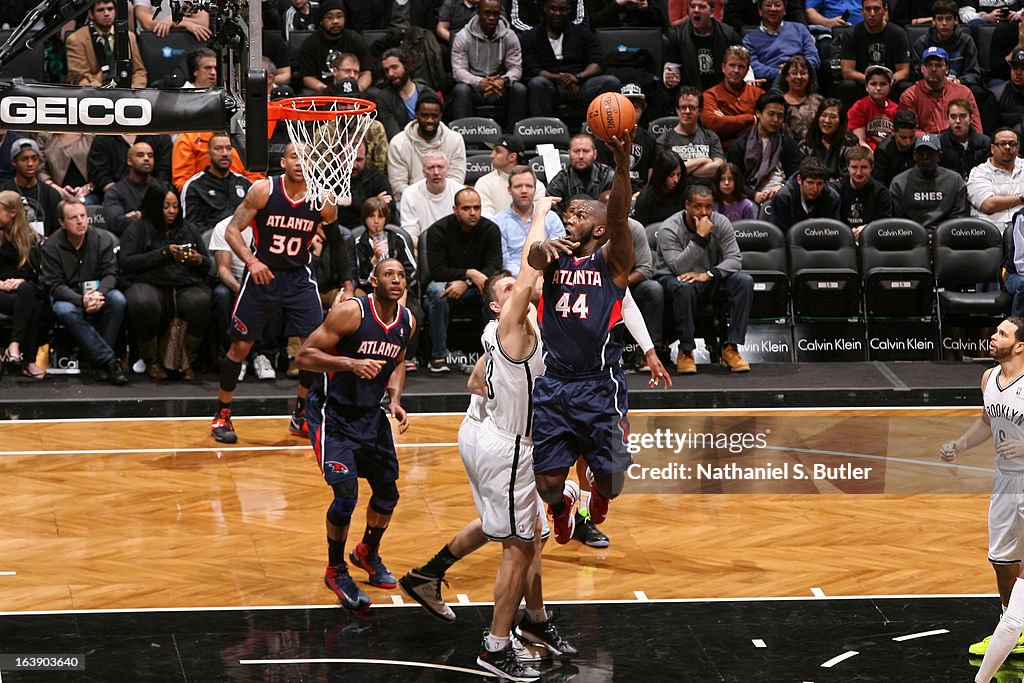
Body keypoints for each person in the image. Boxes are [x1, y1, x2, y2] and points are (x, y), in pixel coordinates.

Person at [404, 199, 574, 681]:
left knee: (524, 531)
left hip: (483, 431)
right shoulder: (512, 325)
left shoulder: (496, 330)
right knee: (519, 545)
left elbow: (475, 383)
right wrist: (540, 212)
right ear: (501, 304)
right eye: (509, 289)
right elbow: (526, 272)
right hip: (509, 447)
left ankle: (533, 620)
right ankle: (496, 646)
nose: (522, 287)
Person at [526, 125, 635, 544]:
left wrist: (622, 164)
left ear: (599, 229)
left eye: (579, 215)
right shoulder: (553, 257)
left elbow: (621, 215)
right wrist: (541, 249)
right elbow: (534, 256)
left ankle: (597, 500)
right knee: (548, 485)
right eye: (566, 213)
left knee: (610, 484)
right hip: (555, 384)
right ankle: (563, 507)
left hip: (598, 386)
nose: (569, 218)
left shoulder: (612, 263)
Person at [296, 258, 414, 611]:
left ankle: (366, 552)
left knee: (387, 493)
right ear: (373, 280)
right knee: (346, 496)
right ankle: (335, 570)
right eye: (389, 274)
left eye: (402, 275)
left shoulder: (407, 320)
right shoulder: (351, 313)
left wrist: (395, 399)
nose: (396, 280)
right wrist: (350, 363)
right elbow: (304, 356)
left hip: (370, 415)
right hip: (333, 413)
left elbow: (398, 362)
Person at [210, 144, 345, 444]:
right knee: (240, 347)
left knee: (313, 350)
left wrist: (347, 284)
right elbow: (233, 230)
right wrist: (252, 261)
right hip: (263, 277)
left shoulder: (323, 200)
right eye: (296, 157)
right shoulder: (263, 190)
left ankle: (301, 416)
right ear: (283, 162)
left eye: (308, 158)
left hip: (298, 278)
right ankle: (222, 415)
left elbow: (337, 244)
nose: (301, 163)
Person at [939, 318, 1024, 681]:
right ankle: (1013, 629)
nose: (994, 337)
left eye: (1002, 334)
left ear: (1020, 346)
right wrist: (959, 444)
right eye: (996, 332)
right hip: (1005, 480)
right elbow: (987, 423)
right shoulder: (988, 379)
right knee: (1001, 560)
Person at [655, 184, 754, 374]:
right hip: (674, 279)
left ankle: (731, 348)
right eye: (698, 206)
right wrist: (700, 237)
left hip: (708, 278)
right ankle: (686, 350)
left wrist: (708, 275)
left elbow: (735, 259)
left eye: (708, 207)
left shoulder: (721, 222)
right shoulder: (669, 228)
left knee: (744, 281)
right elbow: (678, 267)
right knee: (684, 285)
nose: (704, 212)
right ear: (687, 205)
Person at [119, 183, 212, 381]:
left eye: (175, 206)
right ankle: (151, 359)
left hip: (184, 281)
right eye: (166, 206)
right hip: (149, 280)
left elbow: (207, 263)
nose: (171, 211)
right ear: (154, 206)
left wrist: (198, 259)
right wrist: (164, 253)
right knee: (144, 301)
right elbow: (126, 263)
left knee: (200, 301)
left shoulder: (188, 228)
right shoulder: (138, 229)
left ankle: (182, 359)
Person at [41, 198, 127, 385]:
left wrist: (99, 294)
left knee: (118, 299)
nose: (80, 221)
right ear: (62, 223)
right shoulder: (51, 247)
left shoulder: (102, 239)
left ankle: (100, 362)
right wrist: (82, 300)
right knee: (64, 310)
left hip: (97, 293)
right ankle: (109, 361)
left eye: (83, 216)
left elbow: (111, 274)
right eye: (73, 218)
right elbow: (54, 285)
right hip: (69, 296)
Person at [423, 188, 503, 372]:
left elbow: (494, 267)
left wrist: (468, 282)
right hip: (448, 283)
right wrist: (469, 274)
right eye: (466, 208)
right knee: (437, 292)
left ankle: (495, 354)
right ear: (455, 209)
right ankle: (438, 356)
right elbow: (437, 271)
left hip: (476, 286)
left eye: (477, 207)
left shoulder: (490, 229)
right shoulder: (438, 230)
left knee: (494, 292)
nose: (473, 213)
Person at [519, 0, 621, 117]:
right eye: (553, 9)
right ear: (545, 8)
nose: (557, 13)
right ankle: (543, 130)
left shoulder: (582, 33)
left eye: (562, 9)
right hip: (551, 86)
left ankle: (605, 131)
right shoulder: (531, 36)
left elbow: (597, 62)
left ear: (569, 10)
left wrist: (576, 77)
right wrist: (561, 79)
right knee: (537, 83)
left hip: (580, 84)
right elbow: (532, 68)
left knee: (610, 82)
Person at [353, 197, 422, 371]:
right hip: (371, 291)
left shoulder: (397, 238)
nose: (376, 222)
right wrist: (374, 261)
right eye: (371, 216)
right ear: (364, 218)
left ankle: (405, 356)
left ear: (386, 218)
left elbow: (411, 268)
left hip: (399, 290)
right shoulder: (359, 243)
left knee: (414, 313)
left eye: (380, 217)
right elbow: (360, 278)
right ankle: (370, 354)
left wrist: (398, 282)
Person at [450, 0, 528, 127]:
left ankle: (513, 137)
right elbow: (459, 71)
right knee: (461, 90)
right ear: (478, 12)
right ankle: (466, 138)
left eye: (495, 13)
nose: (491, 18)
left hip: (499, 87)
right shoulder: (462, 37)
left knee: (519, 89)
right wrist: (480, 82)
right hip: (474, 87)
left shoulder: (510, 36)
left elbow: (515, 68)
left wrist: (503, 81)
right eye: (487, 13)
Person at [726, 91, 803, 206]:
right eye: (771, 114)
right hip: (750, 197)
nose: (776, 120)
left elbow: (796, 173)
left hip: (782, 193)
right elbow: (734, 179)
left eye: (780, 115)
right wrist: (753, 195)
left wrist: (782, 187)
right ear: (758, 113)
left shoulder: (787, 143)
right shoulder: (740, 144)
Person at [0, 191, 45, 379]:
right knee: (31, 302)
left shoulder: (30, 237)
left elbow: (37, 274)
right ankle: (27, 359)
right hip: (1, 292)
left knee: (29, 292)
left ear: (12, 213)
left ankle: (15, 346)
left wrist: (22, 280)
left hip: (20, 293)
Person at [386, 94, 467, 198]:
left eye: (434, 116)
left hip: (447, 198)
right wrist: (423, 200)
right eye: (424, 115)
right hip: (411, 199)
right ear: (416, 115)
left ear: (441, 116)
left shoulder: (455, 140)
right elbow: (398, 184)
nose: (430, 120)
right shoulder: (398, 143)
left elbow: (456, 179)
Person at [837, 0, 911, 107]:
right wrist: (871, 82)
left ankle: (901, 122)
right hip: (863, 83)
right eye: (868, 9)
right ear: (862, 11)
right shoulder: (851, 34)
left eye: (876, 9)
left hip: (889, 83)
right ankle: (849, 122)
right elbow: (847, 71)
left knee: (905, 86)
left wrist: (885, 82)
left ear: (884, 11)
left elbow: (904, 71)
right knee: (848, 85)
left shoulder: (898, 33)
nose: (872, 14)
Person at [890, 133, 969, 232]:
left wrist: (941, 236)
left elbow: (959, 217)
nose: (925, 157)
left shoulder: (955, 180)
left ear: (939, 156)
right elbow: (897, 222)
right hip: (910, 238)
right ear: (914, 156)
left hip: (947, 237)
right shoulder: (899, 183)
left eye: (930, 153)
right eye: (920, 153)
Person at [494, 166, 565, 274]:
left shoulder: (551, 218)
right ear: (509, 190)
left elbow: (559, 253)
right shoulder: (498, 222)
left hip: (547, 275)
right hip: (513, 279)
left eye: (528, 186)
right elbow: (505, 260)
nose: (524, 191)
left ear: (535, 189)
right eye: (518, 186)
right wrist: (525, 278)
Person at [663, 0, 741, 95]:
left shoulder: (729, 34)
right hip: (689, 94)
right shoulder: (677, 36)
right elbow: (671, 67)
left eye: (702, 7)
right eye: (692, 6)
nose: (696, 10)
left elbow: (741, 63)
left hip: (722, 92)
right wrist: (669, 79)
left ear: (712, 12)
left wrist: (749, 80)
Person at [899, 46, 982, 136]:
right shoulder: (909, 96)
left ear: (947, 69)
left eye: (938, 65)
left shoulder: (963, 92)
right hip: (926, 145)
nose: (933, 69)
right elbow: (909, 131)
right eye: (929, 65)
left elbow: (976, 129)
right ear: (922, 69)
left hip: (957, 143)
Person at [180, 133, 253, 235]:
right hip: (209, 244)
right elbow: (192, 226)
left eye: (228, 148)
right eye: (218, 148)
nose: (224, 153)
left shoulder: (245, 184)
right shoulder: (195, 186)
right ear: (208, 154)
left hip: (242, 241)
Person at [66, 0, 147, 88]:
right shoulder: (76, 39)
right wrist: (105, 91)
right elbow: (80, 74)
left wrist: (134, 90)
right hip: (95, 91)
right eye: (100, 10)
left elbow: (139, 71)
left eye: (110, 9)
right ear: (91, 14)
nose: (106, 13)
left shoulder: (129, 37)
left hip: (127, 91)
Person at [297, 0, 372, 94]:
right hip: (324, 92)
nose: (335, 21)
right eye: (329, 17)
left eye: (339, 16)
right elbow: (308, 77)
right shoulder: (310, 43)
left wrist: (357, 89)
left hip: (353, 92)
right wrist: (328, 91)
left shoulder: (356, 40)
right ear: (321, 20)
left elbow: (366, 73)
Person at [657, 87, 725, 187]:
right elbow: (664, 173)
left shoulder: (710, 137)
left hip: (707, 194)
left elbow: (719, 168)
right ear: (677, 110)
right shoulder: (664, 140)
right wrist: (702, 160)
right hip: (677, 194)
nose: (687, 111)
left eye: (692, 107)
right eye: (683, 107)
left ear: (700, 111)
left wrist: (682, 171)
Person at [701, 45, 764, 151]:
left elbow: (766, 123)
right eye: (732, 65)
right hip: (723, 151)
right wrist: (751, 118)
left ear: (747, 70)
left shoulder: (758, 94)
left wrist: (725, 120)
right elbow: (712, 124)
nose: (736, 70)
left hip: (754, 149)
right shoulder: (710, 95)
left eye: (741, 67)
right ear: (723, 68)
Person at [743, 0, 818, 88]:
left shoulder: (800, 29)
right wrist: (781, 72)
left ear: (784, 10)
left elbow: (813, 57)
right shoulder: (749, 39)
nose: (773, 9)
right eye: (768, 5)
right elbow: (754, 66)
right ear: (760, 11)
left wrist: (797, 68)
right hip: (771, 81)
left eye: (777, 5)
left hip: (802, 77)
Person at [399, 152, 463, 249]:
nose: (436, 172)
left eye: (440, 167)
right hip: (422, 249)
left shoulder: (460, 192)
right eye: (431, 168)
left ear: (447, 170)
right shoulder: (410, 194)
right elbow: (410, 235)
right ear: (424, 172)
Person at [372, 48, 439, 140]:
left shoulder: (427, 92)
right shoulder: (384, 98)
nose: (390, 74)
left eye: (394, 67)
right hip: (403, 147)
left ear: (406, 66)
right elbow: (393, 135)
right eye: (386, 70)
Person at [2, 138, 62, 237]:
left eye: (34, 158)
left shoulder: (51, 194)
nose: (30, 164)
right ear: (14, 162)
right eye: (24, 159)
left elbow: (58, 231)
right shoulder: (4, 193)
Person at [967, 128, 1024, 231]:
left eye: (1012, 144)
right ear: (992, 148)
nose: (1007, 147)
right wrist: (1021, 198)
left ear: (1018, 148)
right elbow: (988, 204)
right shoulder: (979, 172)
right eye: (1003, 144)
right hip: (991, 236)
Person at [100, 141, 160, 237]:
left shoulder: (161, 188)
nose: (146, 159)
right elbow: (115, 223)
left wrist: (135, 216)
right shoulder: (115, 191)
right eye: (140, 155)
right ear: (129, 161)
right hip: (129, 242)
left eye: (150, 155)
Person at [477, 135, 544, 218]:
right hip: (495, 230)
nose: (492, 155)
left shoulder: (537, 186)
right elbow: (485, 216)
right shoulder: (484, 183)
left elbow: (537, 217)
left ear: (512, 157)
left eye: (497, 151)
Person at [767, 156, 841, 230]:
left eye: (819, 184)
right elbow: (778, 236)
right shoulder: (784, 198)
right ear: (799, 179)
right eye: (810, 183)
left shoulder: (832, 198)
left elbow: (834, 233)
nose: (815, 189)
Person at [798, 98, 859, 183]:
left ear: (841, 121)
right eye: (823, 115)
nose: (827, 121)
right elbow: (800, 174)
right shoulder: (806, 144)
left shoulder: (849, 145)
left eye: (833, 117)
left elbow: (850, 177)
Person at [839, 146, 893, 240]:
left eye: (864, 167)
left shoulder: (881, 193)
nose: (859, 173)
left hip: (872, 240)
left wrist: (867, 229)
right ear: (848, 167)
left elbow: (885, 225)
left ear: (871, 167)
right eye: (854, 167)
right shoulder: (838, 189)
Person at [545, 133, 614, 201]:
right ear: (569, 154)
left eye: (586, 151)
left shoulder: (608, 177)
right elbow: (555, 211)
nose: (581, 156)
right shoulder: (558, 183)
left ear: (595, 154)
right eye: (576, 151)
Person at [847, 65, 899, 151]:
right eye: (873, 84)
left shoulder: (896, 109)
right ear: (866, 87)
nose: (878, 88)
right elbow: (860, 142)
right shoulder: (859, 107)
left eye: (883, 84)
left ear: (890, 87)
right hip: (867, 155)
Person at [938, 98, 990, 181]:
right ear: (948, 119)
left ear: (971, 119)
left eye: (962, 116)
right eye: (953, 117)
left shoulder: (985, 142)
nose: (958, 121)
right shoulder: (940, 143)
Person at [633, 150, 688, 225]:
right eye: (671, 175)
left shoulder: (683, 193)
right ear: (662, 174)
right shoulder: (646, 198)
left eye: (678, 175)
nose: (676, 180)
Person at [779, 55, 823, 144]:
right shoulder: (778, 102)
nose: (799, 77)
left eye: (803, 73)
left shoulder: (818, 100)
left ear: (809, 77)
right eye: (794, 73)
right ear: (786, 77)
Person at [873, 108, 918, 186]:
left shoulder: (918, 147)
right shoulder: (883, 151)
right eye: (903, 137)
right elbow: (879, 184)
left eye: (911, 137)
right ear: (893, 132)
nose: (908, 142)